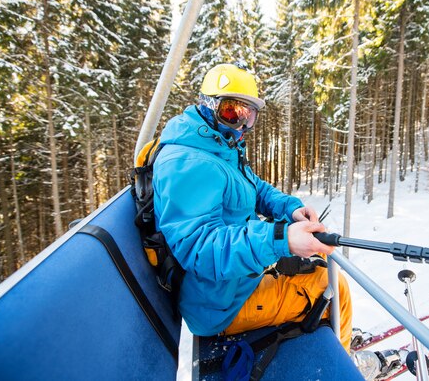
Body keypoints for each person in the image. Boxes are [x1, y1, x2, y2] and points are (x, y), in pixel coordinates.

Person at [153, 62, 400, 380]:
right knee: (333, 284)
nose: (240, 124)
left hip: (233, 281)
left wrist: (291, 210)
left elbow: (253, 188)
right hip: (220, 304)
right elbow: (200, 248)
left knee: (321, 265)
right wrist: (281, 238)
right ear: (208, 105)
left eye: (249, 115)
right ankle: (341, 360)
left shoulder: (216, 145)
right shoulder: (189, 162)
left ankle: (335, 330)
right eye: (231, 112)